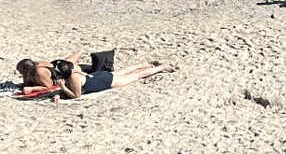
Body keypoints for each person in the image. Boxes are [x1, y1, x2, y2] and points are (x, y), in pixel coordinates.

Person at [18, 55, 174, 99]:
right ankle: (140, 63)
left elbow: (76, 95)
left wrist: (63, 88)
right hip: (98, 76)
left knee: (136, 76)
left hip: (105, 81)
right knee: (120, 71)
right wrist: (60, 92)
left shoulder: (72, 79)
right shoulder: (72, 73)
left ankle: (162, 67)